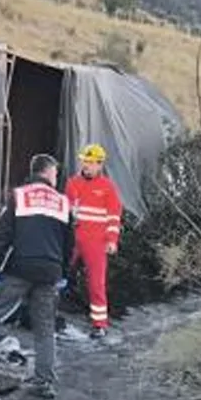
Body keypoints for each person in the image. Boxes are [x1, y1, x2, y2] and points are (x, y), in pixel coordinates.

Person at [0, 153, 75, 399]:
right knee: (45, 327)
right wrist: (65, 274)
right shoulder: (62, 202)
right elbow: (70, 243)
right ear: (48, 173)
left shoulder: (18, 196)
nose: (56, 178)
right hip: (50, 271)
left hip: (19, 268)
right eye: (56, 174)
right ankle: (44, 382)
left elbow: (3, 236)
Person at [64, 143, 123, 339]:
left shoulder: (108, 187)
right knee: (58, 275)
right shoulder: (72, 183)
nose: (86, 165)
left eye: (90, 162)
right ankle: (47, 315)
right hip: (73, 238)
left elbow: (114, 216)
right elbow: (66, 210)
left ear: (100, 165)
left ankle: (99, 324)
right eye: (84, 161)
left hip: (96, 243)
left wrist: (112, 240)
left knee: (96, 283)